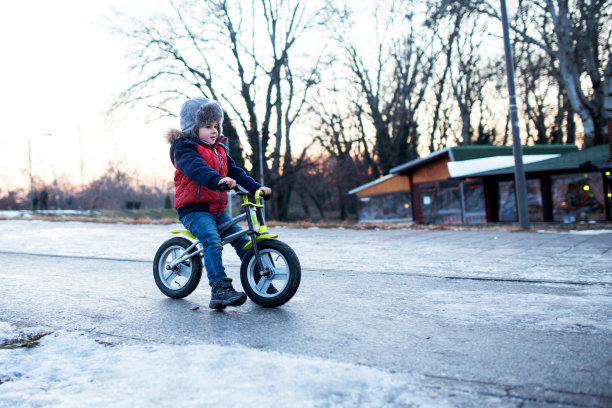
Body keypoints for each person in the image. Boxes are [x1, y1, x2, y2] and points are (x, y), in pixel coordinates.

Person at [166, 97, 272, 310]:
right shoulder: (184, 148)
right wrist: (217, 180)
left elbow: (235, 172)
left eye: (216, 126)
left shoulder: (220, 149)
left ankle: (260, 278)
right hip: (194, 208)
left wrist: (255, 188)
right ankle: (219, 289)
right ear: (192, 128)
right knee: (212, 240)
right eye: (207, 126)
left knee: (243, 239)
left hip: (217, 208)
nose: (214, 131)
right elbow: (197, 169)